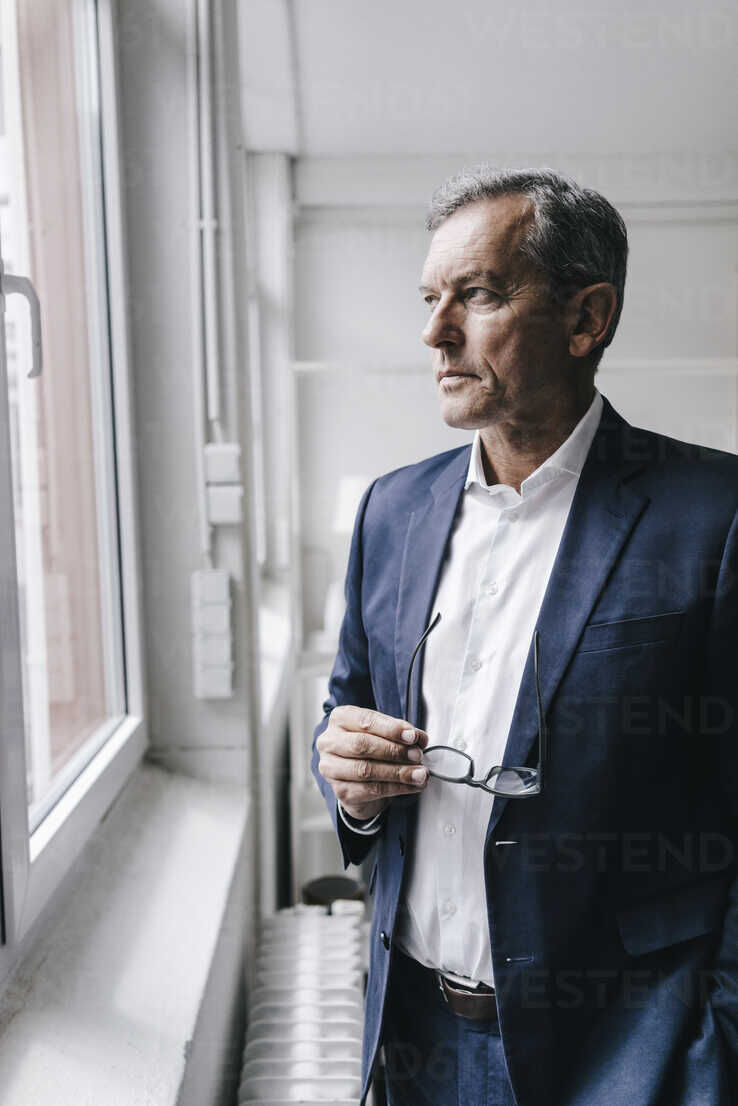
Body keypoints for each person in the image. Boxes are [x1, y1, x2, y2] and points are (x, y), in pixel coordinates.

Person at [311, 167, 738, 1106]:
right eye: (430, 298)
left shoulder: (715, 517)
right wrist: (350, 782)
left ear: (587, 318)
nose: (436, 332)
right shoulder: (391, 510)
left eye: (477, 294)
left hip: (630, 1057)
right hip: (413, 1038)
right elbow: (343, 714)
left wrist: (713, 1056)